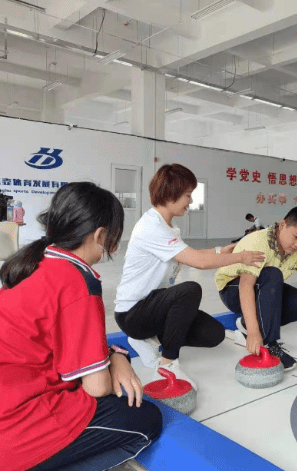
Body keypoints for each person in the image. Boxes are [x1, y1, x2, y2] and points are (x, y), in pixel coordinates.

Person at [0, 182, 162, 471]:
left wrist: (115, 354)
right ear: (101, 235)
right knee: (145, 419)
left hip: (11, 390)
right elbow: (97, 387)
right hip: (13, 428)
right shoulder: (78, 282)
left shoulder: (35, 262)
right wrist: (118, 359)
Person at [114, 164, 264, 389]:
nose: (190, 202)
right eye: (187, 195)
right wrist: (241, 257)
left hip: (155, 306)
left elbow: (189, 255)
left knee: (213, 334)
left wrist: (219, 251)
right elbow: (198, 261)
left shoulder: (169, 228)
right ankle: (168, 362)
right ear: (171, 193)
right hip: (133, 313)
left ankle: (151, 338)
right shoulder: (151, 226)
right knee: (190, 290)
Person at [215, 206, 297, 371]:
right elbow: (245, 286)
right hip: (232, 289)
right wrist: (254, 333)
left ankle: (246, 324)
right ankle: (268, 343)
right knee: (272, 275)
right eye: (296, 237)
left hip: (261, 289)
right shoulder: (259, 242)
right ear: (282, 225)